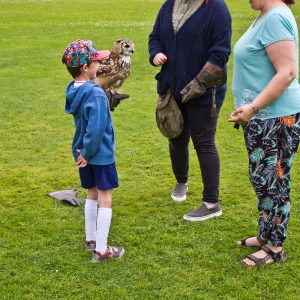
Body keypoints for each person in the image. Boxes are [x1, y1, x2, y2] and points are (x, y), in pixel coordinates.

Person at [229, 0, 300, 266]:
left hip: (275, 118)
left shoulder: (275, 17)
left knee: (274, 182)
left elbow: (288, 72)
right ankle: (266, 234)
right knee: (263, 179)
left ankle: (274, 247)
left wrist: (253, 106)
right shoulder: (267, 15)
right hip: (263, 118)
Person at [149, 0, 232, 221]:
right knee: (176, 137)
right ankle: (181, 182)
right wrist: (155, 53)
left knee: (204, 143)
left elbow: (220, 53)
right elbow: (155, 37)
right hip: (172, 87)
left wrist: (198, 84)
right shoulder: (169, 5)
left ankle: (211, 202)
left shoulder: (216, 8)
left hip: (204, 92)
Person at [62, 39, 125, 262]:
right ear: (85, 68)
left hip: (82, 152)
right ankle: (102, 250)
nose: (100, 64)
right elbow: (96, 128)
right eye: (96, 61)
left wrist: (83, 154)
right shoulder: (96, 93)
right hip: (97, 154)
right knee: (105, 198)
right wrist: (89, 154)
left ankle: (91, 239)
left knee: (91, 191)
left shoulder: (73, 90)